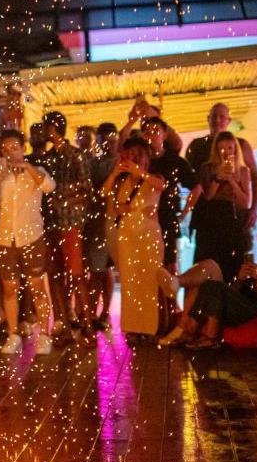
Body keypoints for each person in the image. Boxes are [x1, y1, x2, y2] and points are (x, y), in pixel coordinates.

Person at [0, 130, 56, 355]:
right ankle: (13, 333)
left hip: (31, 237)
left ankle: (45, 335)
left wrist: (27, 167)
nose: (10, 152)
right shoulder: (0, 174)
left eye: (14, 147)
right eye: (6, 149)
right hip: (6, 239)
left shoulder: (36, 171)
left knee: (37, 287)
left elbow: (49, 186)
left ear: (22, 148)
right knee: (9, 288)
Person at [101, 137, 165, 339]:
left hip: (148, 237)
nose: (135, 159)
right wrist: (115, 173)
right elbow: (103, 192)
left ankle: (150, 327)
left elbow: (160, 186)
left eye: (140, 155)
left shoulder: (153, 177)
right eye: (131, 155)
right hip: (127, 237)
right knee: (130, 283)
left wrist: (140, 173)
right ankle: (132, 328)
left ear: (147, 158)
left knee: (149, 282)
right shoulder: (121, 181)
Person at [39, 112, 95, 342]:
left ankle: (87, 323)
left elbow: (87, 190)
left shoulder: (75, 155)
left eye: (46, 127)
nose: (44, 132)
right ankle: (61, 322)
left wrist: (62, 199)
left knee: (76, 274)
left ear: (54, 128)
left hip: (70, 222)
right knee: (54, 274)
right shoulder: (47, 157)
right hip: (50, 222)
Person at [185, 103, 257, 225]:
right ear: (208, 118)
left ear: (229, 120)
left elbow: (256, 177)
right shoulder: (196, 146)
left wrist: (254, 208)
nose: (217, 120)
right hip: (206, 214)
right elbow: (187, 178)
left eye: (222, 116)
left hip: (236, 213)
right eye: (214, 116)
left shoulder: (241, 145)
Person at [142, 117, 200, 273]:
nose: (151, 135)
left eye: (155, 131)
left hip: (166, 218)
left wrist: (183, 215)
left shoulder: (174, 161)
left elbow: (197, 188)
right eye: (147, 132)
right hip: (144, 220)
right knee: (148, 267)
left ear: (164, 135)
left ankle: (170, 298)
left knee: (169, 267)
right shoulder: (141, 161)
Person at [194, 131, 252, 283]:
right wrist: (218, 177)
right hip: (212, 224)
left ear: (235, 149)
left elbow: (245, 203)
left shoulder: (243, 171)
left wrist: (232, 180)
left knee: (233, 270)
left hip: (233, 224)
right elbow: (208, 196)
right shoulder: (207, 169)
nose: (226, 153)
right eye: (222, 149)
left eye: (229, 148)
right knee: (211, 269)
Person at [87, 123, 119, 330]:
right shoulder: (92, 163)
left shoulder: (121, 160)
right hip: (94, 221)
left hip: (114, 219)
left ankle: (103, 312)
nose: (106, 144)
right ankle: (92, 313)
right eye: (102, 140)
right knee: (97, 270)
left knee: (103, 269)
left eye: (110, 139)